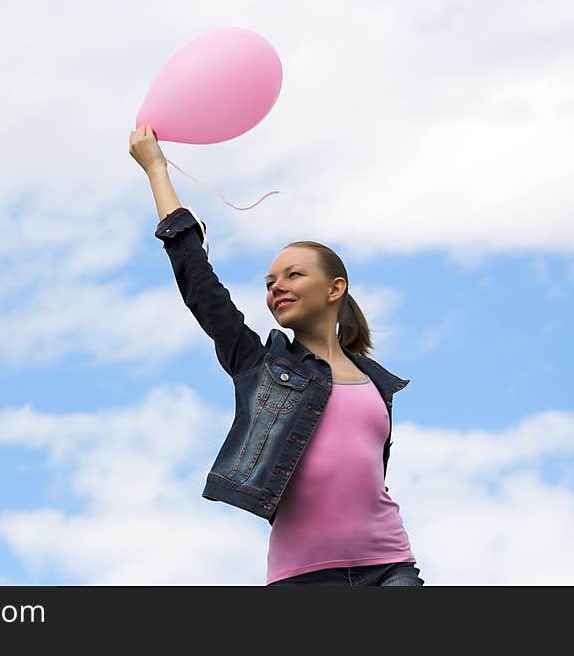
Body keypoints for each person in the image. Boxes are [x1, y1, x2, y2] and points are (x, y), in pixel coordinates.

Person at [129, 125, 424, 587]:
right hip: (302, 577)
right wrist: (156, 169)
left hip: (389, 567)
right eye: (269, 282)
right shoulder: (261, 367)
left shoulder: (379, 384)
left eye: (292, 275)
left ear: (334, 288)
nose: (276, 286)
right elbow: (199, 283)